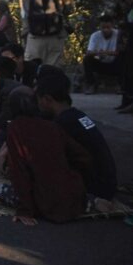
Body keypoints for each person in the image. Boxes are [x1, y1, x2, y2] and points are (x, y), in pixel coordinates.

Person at [6, 90, 92, 225]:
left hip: (44, 201)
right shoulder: (52, 125)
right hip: (73, 199)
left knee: (2, 191)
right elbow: (82, 156)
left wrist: (25, 210)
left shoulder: (15, 127)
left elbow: (19, 171)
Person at [34, 65, 117, 204]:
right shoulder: (76, 116)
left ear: (47, 99)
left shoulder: (64, 123)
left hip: (97, 187)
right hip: (106, 182)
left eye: (39, 100)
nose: (38, 105)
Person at [19, 0, 72, 67]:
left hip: (34, 36)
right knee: (53, 71)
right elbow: (70, 8)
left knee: (31, 69)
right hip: (56, 35)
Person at [83, 15, 120, 94]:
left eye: (108, 27)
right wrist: (98, 54)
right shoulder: (95, 36)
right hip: (100, 62)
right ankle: (91, 85)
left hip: (115, 64)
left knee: (124, 58)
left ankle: (121, 85)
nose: (105, 30)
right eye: (103, 27)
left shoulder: (118, 34)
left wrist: (105, 52)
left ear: (112, 26)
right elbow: (89, 52)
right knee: (87, 59)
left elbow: (120, 52)